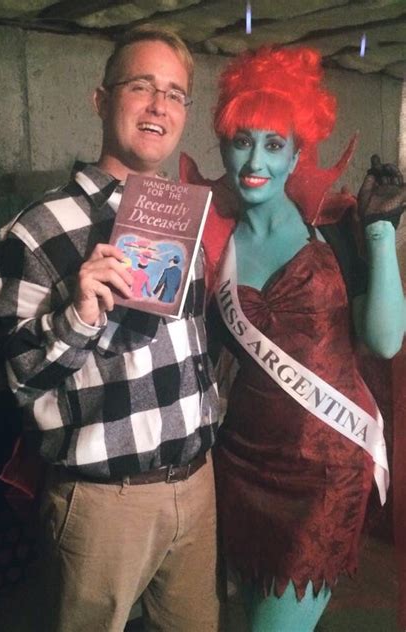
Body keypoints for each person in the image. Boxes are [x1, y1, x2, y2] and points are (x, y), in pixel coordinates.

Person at [0, 26, 220, 632]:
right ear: (101, 99)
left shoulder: (183, 213)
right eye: (141, 86)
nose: (159, 106)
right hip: (102, 502)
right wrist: (77, 317)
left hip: (196, 484)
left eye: (175, 93)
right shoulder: (36, 228)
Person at [182, 45, 405, 631]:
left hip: (324, 472)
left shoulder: (332, 230)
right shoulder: (209, 243)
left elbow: (384, 340)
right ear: (224, 145)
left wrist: (379, 230)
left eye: (274, 145)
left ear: (297, 152)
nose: (255, 160)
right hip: (241, 461)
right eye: (242, 140)